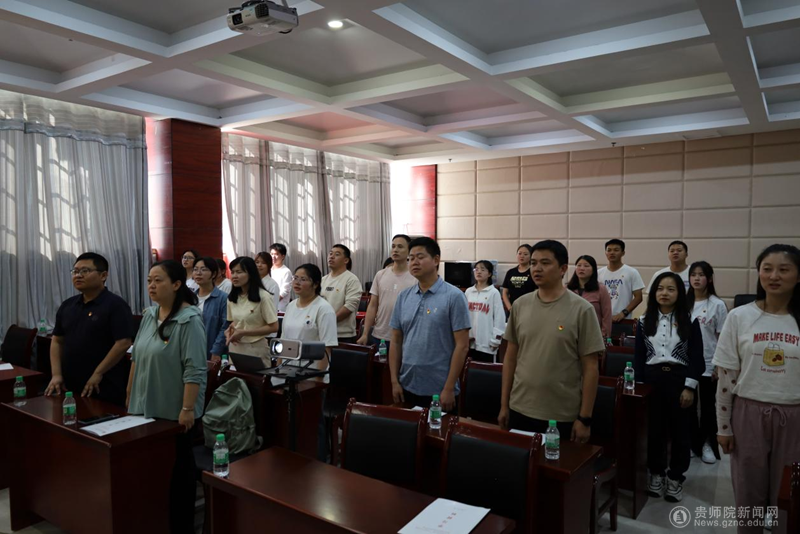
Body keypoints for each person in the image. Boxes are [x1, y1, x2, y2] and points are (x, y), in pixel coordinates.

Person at [713, 244, 800, 534]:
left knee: (789, 496)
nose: (774, 276)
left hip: (795, 417)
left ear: (798, 275)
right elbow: (726, 378)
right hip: (748, 413)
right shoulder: (739, 316)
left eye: (784, 269)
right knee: (748, 491)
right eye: (767, 269)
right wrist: (723, 427)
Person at [126, 259, 207, 534]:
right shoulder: (149, 315)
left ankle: (182, 527)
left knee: (178, 472)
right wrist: (129, 393)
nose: (151, 285)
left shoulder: (189, 320)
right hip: (144, 404)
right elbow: (136, 356)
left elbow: (195, 368)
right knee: (153, 471)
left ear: (176, 284)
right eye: (149, 280)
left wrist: (188, 408)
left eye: (158, 280)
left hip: (174, 411)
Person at [498, 240, 604, 443]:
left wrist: (585, 418)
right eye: (533, 263)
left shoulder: (582, 310)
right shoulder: (520, 305)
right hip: (519, 407)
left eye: (545, 263)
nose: (536, 268)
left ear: (563, 269)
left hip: (561, 415)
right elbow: (510, 358)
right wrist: (504, 405)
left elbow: (591, 367)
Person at [635, 272, 704, 503]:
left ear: (679, 293)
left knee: (680, 432)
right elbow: (639, 356)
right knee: (655, 430)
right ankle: (656, 473)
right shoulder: (644, 321)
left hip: (679, 380)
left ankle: (675, 477)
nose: (664, 293)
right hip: (652, 380)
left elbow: (696, 357)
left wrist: (690, 387)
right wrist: (639, 386)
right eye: (660, 288)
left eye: (671, 289)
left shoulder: (690, 320)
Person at [389, 237, 470, 411]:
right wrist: (394, 381)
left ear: (436, 260)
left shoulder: (454, 296)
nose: (414, 262)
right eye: (411, 258)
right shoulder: (404, 296)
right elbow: (395, 340)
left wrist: (449, 388)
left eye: (420, 257)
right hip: (407, 384)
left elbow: (462, 346)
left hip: (440, 389)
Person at [44, 253, 133, 406]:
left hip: (103, 383)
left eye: (85, 271)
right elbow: (57, 340)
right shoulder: (68, 305)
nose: (78, 275)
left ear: (103, 275)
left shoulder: (116, 305)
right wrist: (56, 374)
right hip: (70, 383)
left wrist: (98, 373)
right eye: (75, 271)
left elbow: (123, 343)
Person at [686, 261, 728, 464]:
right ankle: (692, 442)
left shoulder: (717, 305)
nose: (696, 278)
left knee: (708, 407)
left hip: (709, 362)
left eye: (701, 275)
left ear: (709, 279)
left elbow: (723, 339)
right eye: (693, 274)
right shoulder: (684, 303)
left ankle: (707, 443)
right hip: (686, 363)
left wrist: (718, 366)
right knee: (689, 406)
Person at [357, 234, 416, 349]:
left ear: (409, 251)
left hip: (405, 336)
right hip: (380, 335)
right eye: (393, 246)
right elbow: (373, 305)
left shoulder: (415, 277)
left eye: (400, 247)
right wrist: (365, 334)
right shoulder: (381, 274)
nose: (395, 250)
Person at [281, 264, 339, 372]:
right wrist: (278, 369)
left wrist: (318, 376)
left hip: (311, 370)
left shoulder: (324, 309)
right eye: (295, 278)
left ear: (315, 284)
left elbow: (326, 347)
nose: (297, 282)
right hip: (287, 368)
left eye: (303, 279)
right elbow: (283, 339)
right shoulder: (290, 306)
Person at [225, 257, 278, 357]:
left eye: (239, 272)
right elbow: (235, 321)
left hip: (256, 348)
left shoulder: (263, 296)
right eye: (232, 272)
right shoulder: (232, 298)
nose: (234, 276)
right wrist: (229, 330)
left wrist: (244, 332)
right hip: (235, 346)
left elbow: (274, 327)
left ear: (250, 274)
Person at [320, 244, 362, 343]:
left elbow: (349, 307)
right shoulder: (323, 280)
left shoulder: (351, 279)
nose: (331, 256)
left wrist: (329, 321)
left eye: (337, 254)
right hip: (322, 332)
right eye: (330, 253)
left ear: (346, 260)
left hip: (343, 335)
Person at [466, 260, 506, 363]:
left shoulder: (494, 293)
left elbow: (499, 318)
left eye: (483, 269)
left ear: (489, 274)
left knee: (485, 371)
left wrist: (496, 340)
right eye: (476, 269)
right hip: (470, 343)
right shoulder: (469, 292)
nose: (479, 272)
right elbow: (464, 316)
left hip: (487, 344)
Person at [598, 239, 645, 322]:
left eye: (616, 250)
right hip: (602, 319)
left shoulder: (632, 272)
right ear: (605, 253)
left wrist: (623, 313)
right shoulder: (598, 273)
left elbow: (638, 297)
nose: (612, 253)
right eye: (609, 250)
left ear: (623, 253)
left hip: (623, 320)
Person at [567, 255, 612, 339]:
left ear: (593, 270)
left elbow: (606, 315)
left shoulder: (601, 289)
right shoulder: (567, 289)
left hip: (592, 335)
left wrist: (604, 336)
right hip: (570, 334)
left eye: (586, 266)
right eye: (579, 265)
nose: (581, 268)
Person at [192, 257, 228, 361]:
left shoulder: (223, 298)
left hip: (211, 351)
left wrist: (216, 350)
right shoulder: (190, 298)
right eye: (195, 269)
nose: (198, 273)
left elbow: (225, 327)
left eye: (203, 269)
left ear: (213, 274)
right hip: (192, 349)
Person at [501, 244, 536, 313]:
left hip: (529, 309)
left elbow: (537, 292)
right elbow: (504, 292)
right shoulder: (511, 272)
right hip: (513, 309)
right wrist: (510, 308)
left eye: (525, 254)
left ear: (531, 256)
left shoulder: (534, 272)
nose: (522, 256)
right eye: (519, 253)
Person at [270, 243, 293, 312]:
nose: (273, 256)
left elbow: (285, 291)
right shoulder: (269, 270)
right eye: (271, 254)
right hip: (268, 306)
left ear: (283, 256)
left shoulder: (286, 271)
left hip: (280, 308)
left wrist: (273, 301)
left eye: (276, 254)